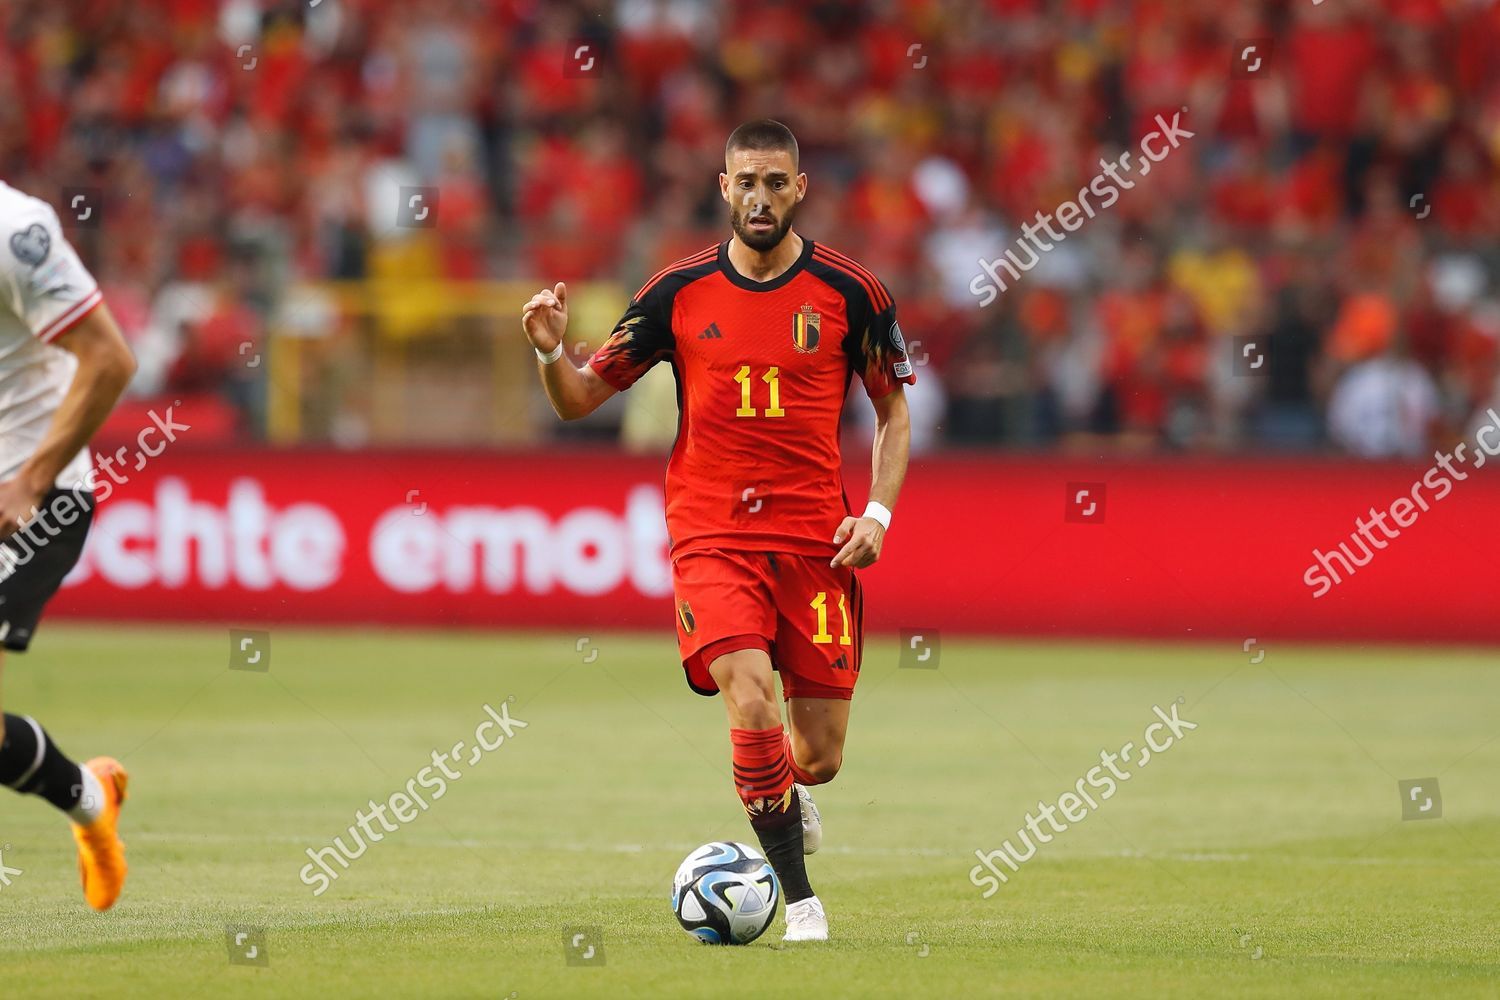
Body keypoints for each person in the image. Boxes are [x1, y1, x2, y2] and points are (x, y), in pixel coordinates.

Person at [521, 120, 913, 942]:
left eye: (775, 182)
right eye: (747, 183)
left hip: (816, 541)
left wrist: (876, 513)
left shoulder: (852, 292)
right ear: (724, 187)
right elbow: (581, 399)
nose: (760, 198)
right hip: (712, 533)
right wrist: (553, 355)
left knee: (818, 757)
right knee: (750, 693)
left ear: (799, 189)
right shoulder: (677, 292)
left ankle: (785, 794)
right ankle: (801, 902)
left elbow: (892, 410)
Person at [0, 179, 137, 910]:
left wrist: (30, 480)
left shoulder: (15, 232)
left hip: (27, 502)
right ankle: (90, 797)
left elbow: (111, 360)